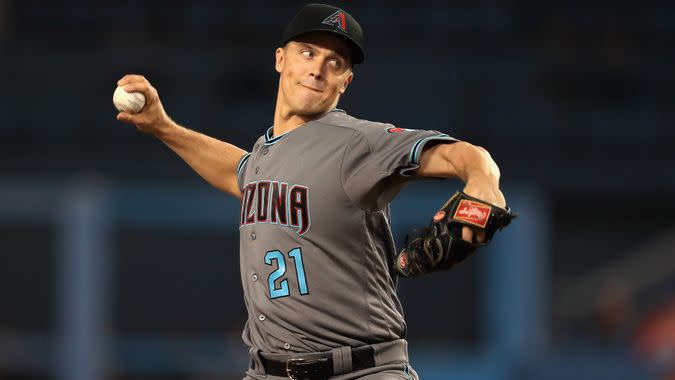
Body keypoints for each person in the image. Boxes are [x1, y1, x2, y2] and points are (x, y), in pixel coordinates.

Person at [116, 4, 506, 379]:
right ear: (281, 59)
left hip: (361, 371)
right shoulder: (265, 156)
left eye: (334, 62)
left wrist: (483, 182)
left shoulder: (357, 142)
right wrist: (162, 127)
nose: (318, 69)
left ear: (345, 81)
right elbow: (240, 172)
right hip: (266, 372)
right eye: (308, 52)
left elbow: (464, 155)